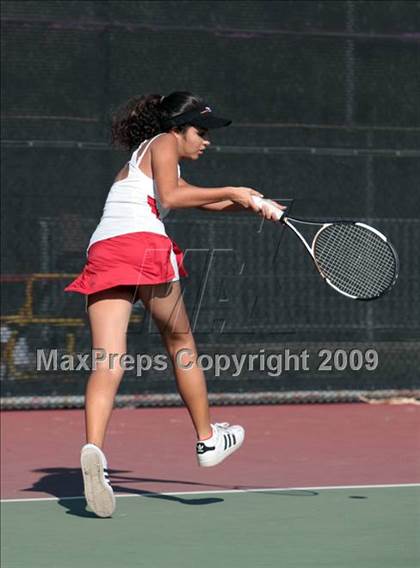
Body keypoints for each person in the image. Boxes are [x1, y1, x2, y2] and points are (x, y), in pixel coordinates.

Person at [65, 91, 285, 517]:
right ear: (177, 127)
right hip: (144, 246)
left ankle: (94, 450)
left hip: (106, 249)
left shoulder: (144, 158)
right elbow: (172, 197)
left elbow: (193, 196)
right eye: (200, 132)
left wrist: (252, 204)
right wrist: (235, 191)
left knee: (108, 358)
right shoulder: (165, 142)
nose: (206, 140)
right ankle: (207, 439)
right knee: (180, 340)